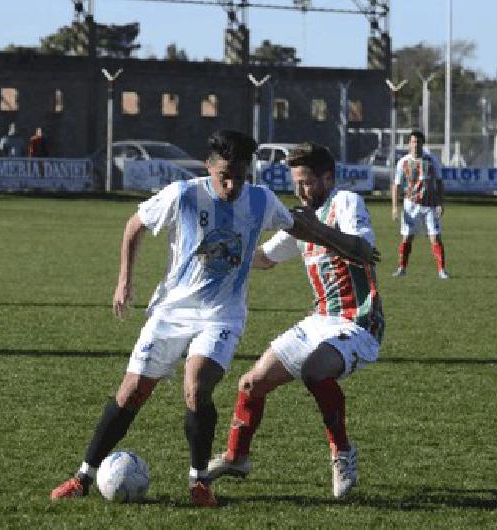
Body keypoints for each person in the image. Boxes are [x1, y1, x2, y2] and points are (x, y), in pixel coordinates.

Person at [49, 131, 378, 507]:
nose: (233, 184)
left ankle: (199, 481)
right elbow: (134, 225)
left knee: (196, 386)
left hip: (222, 315)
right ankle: (83, 476)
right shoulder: (183, 194)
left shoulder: (261, 199)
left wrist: (353, 246)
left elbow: (301, 228)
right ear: (209, 168)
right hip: (171, 310)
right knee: (133, 390)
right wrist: (124, 281)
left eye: (240, 175)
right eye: (225, 175)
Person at [206, 142, 383, 499]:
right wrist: (219, 248)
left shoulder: (346, 203)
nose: (301, 190)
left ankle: (343, 453)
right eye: (296, 183)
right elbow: (266, 258)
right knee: (252, 383)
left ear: (328, 178)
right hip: (320, 320)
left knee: (316, 369)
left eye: (307, 182)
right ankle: (236, 456)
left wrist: (314, 230)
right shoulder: (301, 220)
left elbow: (363, 250)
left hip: (358, 321)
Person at [390, 130, 448, 279]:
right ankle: (402, 269)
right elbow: (396, 185)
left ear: (423, 143)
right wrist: (395, 207)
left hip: (430, 205)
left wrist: (440, 203)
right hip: (411, 205)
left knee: (435, 237)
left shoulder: (431, 160)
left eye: (418, 141)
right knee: (407, 238)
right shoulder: (403, 162)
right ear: (409, 144)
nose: (416, 144)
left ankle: (442, 270)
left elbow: (440, 182)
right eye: (413, 141)